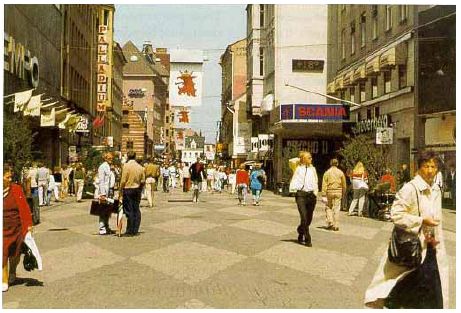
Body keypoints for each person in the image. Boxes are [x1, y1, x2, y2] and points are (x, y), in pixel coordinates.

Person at [364, 150, 449, 309]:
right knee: (414, 290)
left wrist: (433, 235)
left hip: (431, 248)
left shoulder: (436, 189)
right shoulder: (410, 188)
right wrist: (420, 221)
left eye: (433, 166)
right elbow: (396, 214)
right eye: (426, 166)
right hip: (412, 247)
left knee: (432, 293)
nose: (430, 170)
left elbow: (435, 218)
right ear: (419, 168)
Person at [3, 164, 33, 292]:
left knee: (15, 254)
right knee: (2, 252)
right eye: (7, 177)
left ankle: (13, 271)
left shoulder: (16, 189)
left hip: (16, 226)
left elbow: (24, 208)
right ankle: (3, 279)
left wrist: (29, 226)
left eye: (11, 177)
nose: (10, 179)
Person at [289, 151, 318, 247]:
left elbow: (316, 181)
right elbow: (291, 161)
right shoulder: (297, 168)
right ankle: (307, 238)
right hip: (301, 195)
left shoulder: (313, 169)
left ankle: (300, 231)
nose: (311, 159)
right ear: (304, 159)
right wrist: (301, 159)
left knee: (309, 219)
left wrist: (315, 193)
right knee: (304, 217)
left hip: (311, 195)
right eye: (309, 157)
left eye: (311, 157)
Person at [120, 151, 145, 236]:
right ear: (135, 157)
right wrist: (140, 189)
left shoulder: (126, 166)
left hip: (128, 189)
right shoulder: (140, 167)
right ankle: (135, 229)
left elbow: (123, 180)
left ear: (127, 156)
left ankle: (130, 230)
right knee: (136, 209)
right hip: (137, 189)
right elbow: (142, 181)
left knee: (129, 210)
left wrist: (120, 191)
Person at [321, 158, 346, 231]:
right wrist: (344, 192)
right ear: (337, 164)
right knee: (337, 208)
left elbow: (324, 184)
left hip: (329, 191)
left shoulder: (327, 172)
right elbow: (344, 184)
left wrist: (323, 193)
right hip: (338, 191)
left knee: (328, 207)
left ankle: (330, 221)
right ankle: (336, 224)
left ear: (330, 164)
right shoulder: (340, 172)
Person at [97, 152, 114, 235]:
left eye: (112, 158)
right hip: (104, 192)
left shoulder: (108, 166)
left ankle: (107, 227)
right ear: (105, 158)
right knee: (103, 210)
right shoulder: (102, 167)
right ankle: (102, 228)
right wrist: (102, 193)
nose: (111, 159)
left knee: (108, 210)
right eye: (110, 158)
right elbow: (101, 180)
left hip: (109, 191)